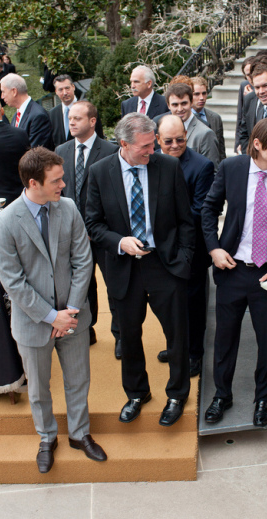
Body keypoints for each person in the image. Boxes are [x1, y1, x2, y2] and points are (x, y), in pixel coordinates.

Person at [0, 146, 107, 474]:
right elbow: (12, 282)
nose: (63, 186)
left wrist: (69, 311)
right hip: (33, 322)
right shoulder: (5, 222)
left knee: (78, 379)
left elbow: (83, 260)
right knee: (40, 387)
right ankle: (46, 438)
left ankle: (80, 434)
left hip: (72, 317)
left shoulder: (68, 208)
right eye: (56, 180)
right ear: (33, 183)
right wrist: (49, 316)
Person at [85, 113, 194, 427]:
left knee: (176, 335)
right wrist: (120, 242)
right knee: (129, 337)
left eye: (154, 143)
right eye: (146, 146)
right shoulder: (100, 172)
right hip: (124, 269)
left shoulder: (168, 167)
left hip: (166, 266)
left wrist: (183, 262)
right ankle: (137, 393)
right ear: (124, 144)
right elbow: (93, 223)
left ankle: (176, 394)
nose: (153, 150)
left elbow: (186, 221)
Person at [201, 119, 267, 426]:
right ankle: (222, 395)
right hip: (233, 269)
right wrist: (214, 248)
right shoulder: (232, 169)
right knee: (224, 339)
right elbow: (208, 209)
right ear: (258, 144)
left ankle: (263, 397)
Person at [55, 100, 120, 351]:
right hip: (73, 236)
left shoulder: (110, 150)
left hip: (102, 234)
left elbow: (115, 195)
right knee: (82, 286)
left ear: (92, 121)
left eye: (77, 118)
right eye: (70, 118)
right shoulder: (61, 150)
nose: (71, 122)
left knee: (114, 286)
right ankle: (88, 329)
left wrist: (100, 229)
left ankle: (120, 335)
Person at [156, 115, 214, 377]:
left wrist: (163, 226)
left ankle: (194, 353)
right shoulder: (151, 162)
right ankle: (177, 346)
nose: (175, 145)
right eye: (168, 141)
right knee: (168, 302)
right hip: (161, 248)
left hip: (192, 249)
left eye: (180, 139)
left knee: (192, 303)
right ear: (158, 140)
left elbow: (199, 211)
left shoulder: (202, 166)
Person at [161, 83, 221, 169]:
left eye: (184, 103)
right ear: (168, 105)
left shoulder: (205, 133)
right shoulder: (161, 127)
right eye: (175, 105)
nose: (180, 109)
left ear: (191, 102)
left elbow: (213, 171)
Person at [1, 73, 54, 150]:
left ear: (14, 91)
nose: (2, 96)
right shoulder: (17, 115)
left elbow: (35, 153)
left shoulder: (38, 116)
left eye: (3, 92)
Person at [190, 76, 226, 163]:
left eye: (204, 93)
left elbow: (221, 150)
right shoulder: (184, 118)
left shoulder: (215, 118)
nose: (202, 98)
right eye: (197, 94)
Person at [49, 74, 79, 149]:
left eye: (67, 88)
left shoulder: (87, 109)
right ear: (56, 91)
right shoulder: (52, 114)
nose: (65, 93)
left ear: (73, 87)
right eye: (60, 89)